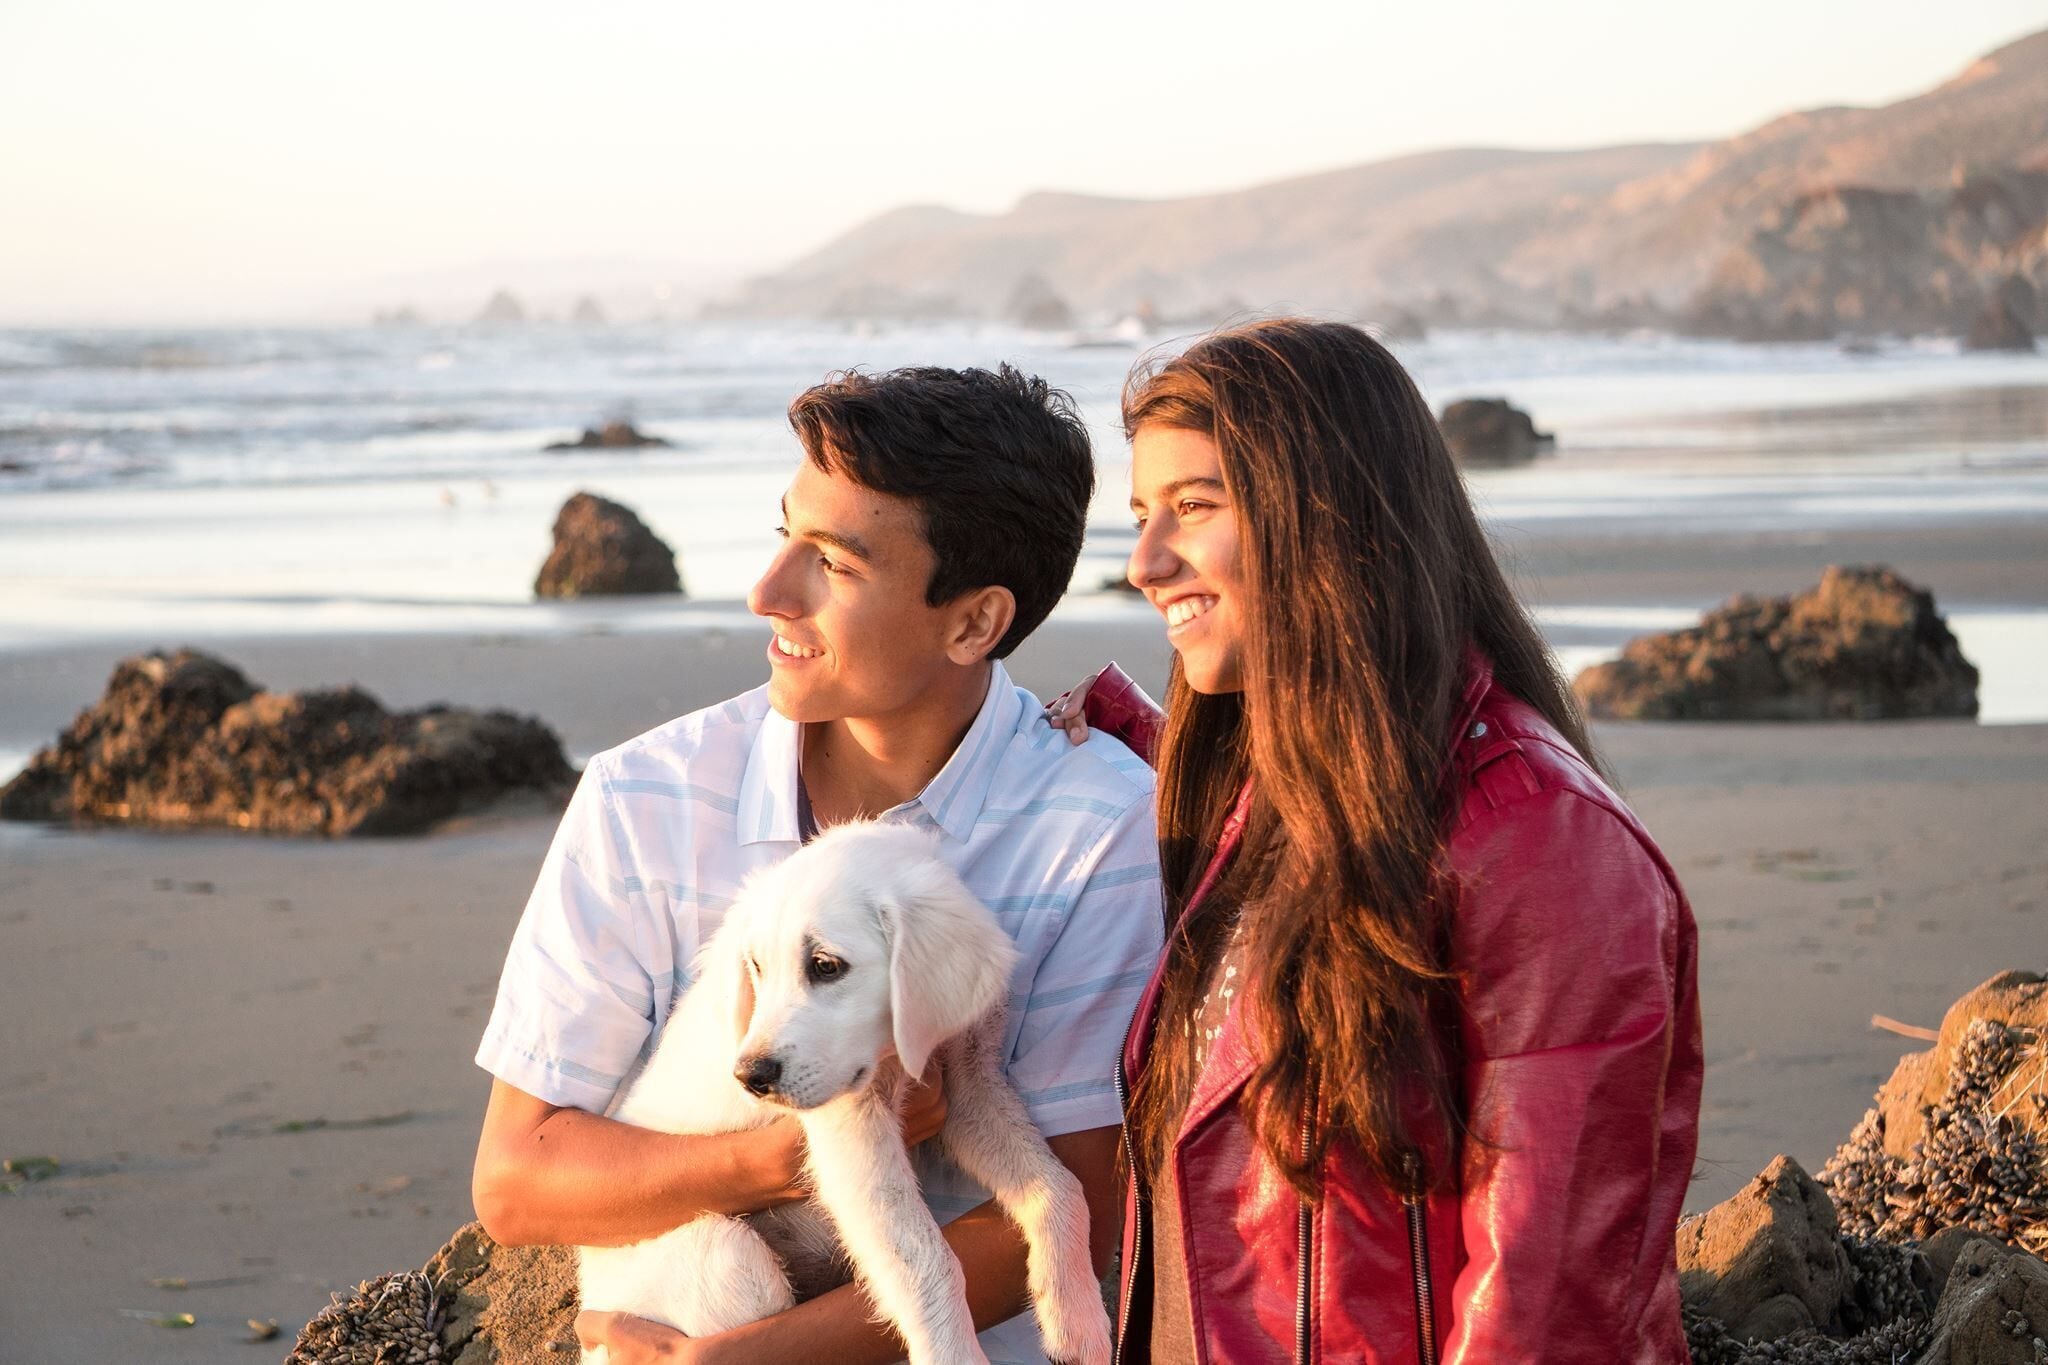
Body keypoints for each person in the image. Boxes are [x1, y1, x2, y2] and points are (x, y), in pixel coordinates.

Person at [472, 364, 1164, 1364]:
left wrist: (747, 1361)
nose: (766, 592)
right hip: (695, 1293)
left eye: (834, 563)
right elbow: (515, 1184)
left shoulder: (1095, 824)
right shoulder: (645, 797)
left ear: (973, 622)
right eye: (783, 535)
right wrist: (784, 1154)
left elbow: (1081, 1195)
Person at [1047, 318, 1702, 1362]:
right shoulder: (1273, 795)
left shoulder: (1541, 840)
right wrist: (1133, 732)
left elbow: (1545, 1306)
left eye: (1194, 506)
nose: (1144, 562)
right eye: (1140, 516)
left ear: (1328, 515)